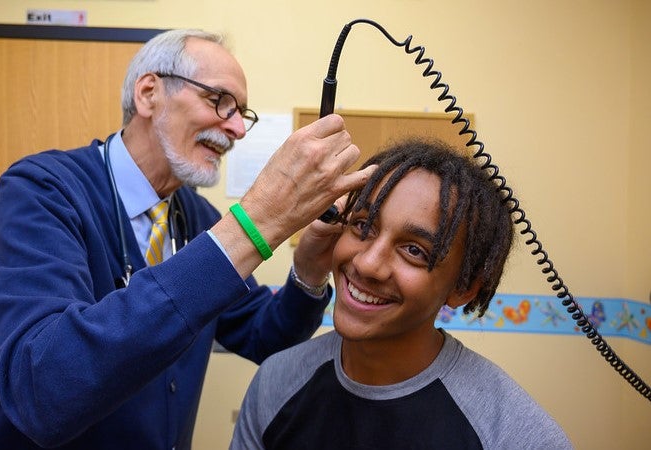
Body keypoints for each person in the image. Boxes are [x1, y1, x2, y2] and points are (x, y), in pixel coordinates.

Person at [0, 29, 374, 449]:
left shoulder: (198, 218)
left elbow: (265, 336)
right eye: (220, 101)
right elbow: (45, 389)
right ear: (148, 93)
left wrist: (311, 270)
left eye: (243, 112)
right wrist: (257, 220)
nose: (238, 129)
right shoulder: (42, 192)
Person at [230, 139, 574, 449]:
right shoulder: (274, 386)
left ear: (463, 288)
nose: (367, 264)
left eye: (413, 250)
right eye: (363, 226)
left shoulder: (513, 435)